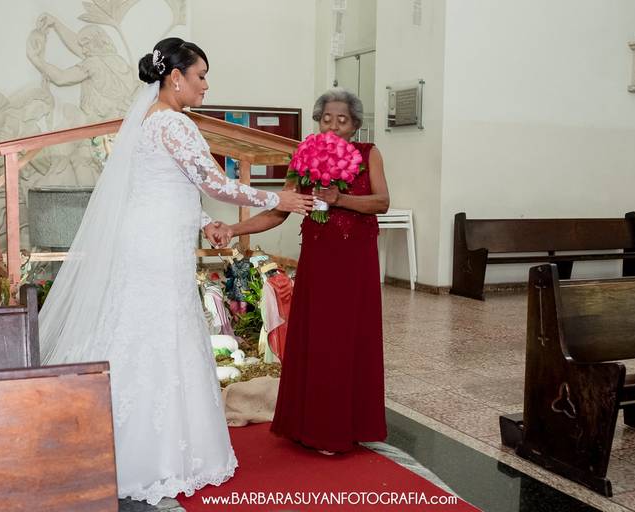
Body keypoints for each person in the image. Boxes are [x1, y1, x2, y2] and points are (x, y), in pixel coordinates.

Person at [38, 37, 313, 504]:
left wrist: (206, 223)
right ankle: (157, 456)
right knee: (160, 332)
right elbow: (214, 183)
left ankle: (110, 442)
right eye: (200, 76)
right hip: (157, 248)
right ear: (175, 77)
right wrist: (278, 198)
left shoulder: (148, 121)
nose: (206, 86)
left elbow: (166, 187)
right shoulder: (174, 122)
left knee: (139, 330)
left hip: (148, 239)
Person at [209, 87, 390, 454]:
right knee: (320, 341)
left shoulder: (369, 154)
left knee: (350, 339)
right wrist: (233, 229)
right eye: (326, 119)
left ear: (355, 125)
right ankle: (313, 426)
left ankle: (350, 425)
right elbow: (279, 211)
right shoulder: (303, 157)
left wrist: (341, 199)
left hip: (356, 263)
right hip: (319, 262)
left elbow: (382, 202)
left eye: (342, 120)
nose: (333, 126)